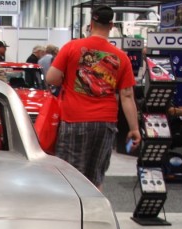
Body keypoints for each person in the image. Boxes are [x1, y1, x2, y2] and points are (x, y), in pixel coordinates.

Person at [46, 4, 141, 191]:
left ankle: (72, 216)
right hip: (105, 123)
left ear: (90, 24)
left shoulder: (72, 47)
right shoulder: (121, 57)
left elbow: (51, 78)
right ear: (112, 25)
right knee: (95, 177)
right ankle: (93, 216)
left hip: (75, 120)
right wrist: (134, 128)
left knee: (69, 175)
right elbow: (127, 96)